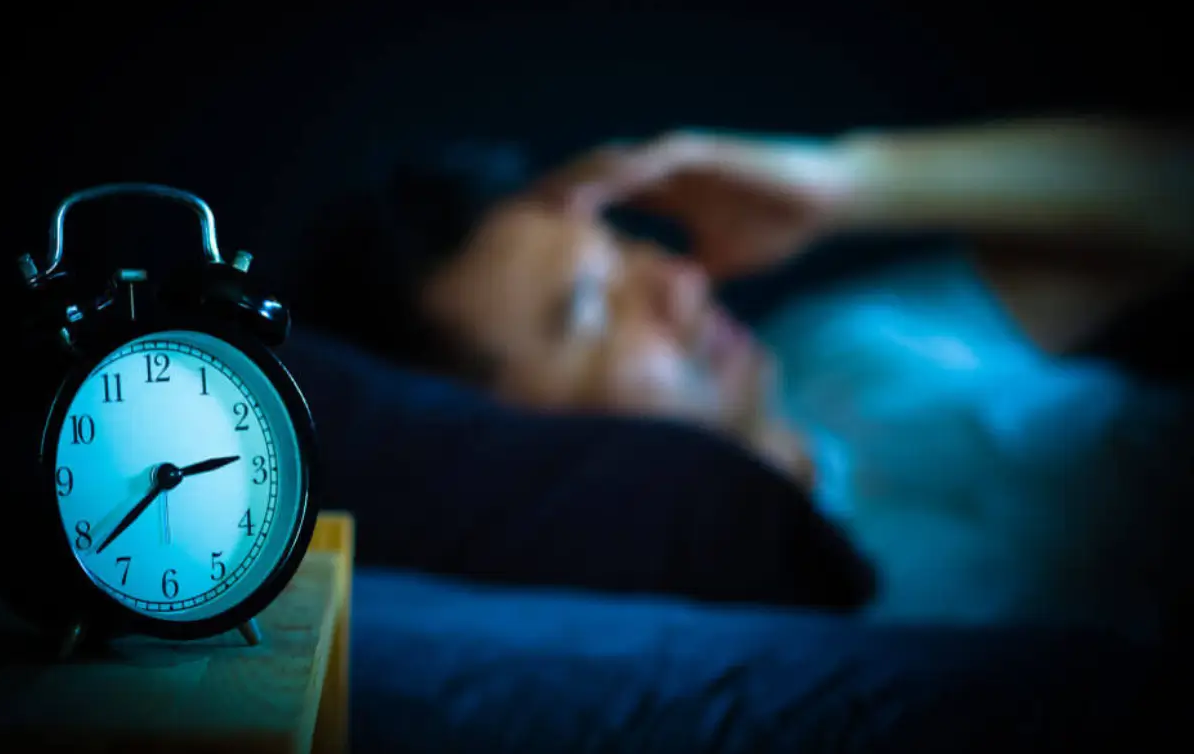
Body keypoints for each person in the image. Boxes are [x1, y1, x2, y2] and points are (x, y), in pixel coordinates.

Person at [394, 117, 1194, 636]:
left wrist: (848, 184)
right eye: (592, 311)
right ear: (504, 443)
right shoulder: (748, 653)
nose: (681, 281)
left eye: (631, 250)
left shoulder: (833, 342)